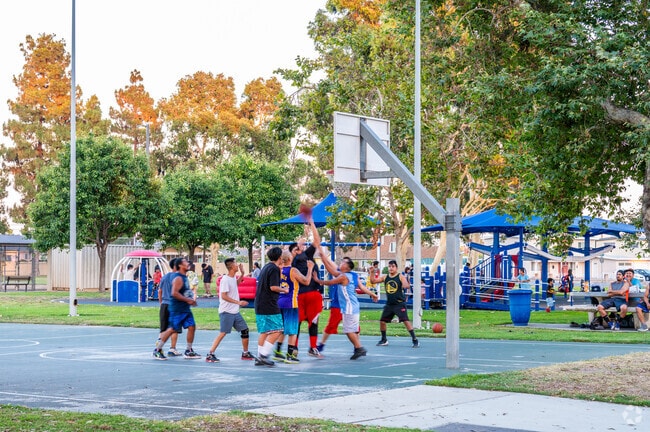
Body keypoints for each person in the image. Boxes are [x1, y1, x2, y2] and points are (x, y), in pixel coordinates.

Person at [318, 244, 378, 360]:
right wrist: (323, 255)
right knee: (333, 326)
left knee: (351, 329)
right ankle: (323, 345)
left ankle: (358, 347)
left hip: (348, 306)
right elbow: (331, 265)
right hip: (340, 305)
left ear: (347, 266)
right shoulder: (341, 272)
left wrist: (372, 294)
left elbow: (361, 287)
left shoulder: (348, 275)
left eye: (344, 262)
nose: (341, 263)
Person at [205, 258, 255, 363]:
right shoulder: (225, 280)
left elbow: (236, 284)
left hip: (235, 311)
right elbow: (223, 296)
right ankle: (210, 354)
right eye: (236, 264)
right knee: (223, 333)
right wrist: (238, 302)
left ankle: (245, 353)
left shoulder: (232, 278)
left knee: (245, 330)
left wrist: (242, 274)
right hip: (226, 311)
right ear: (232, 266)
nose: (238, 265)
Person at [153, 257, 201, 360]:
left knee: (192, 327)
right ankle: (157, 350)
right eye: (185, 262)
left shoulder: (184, 277)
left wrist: (190, 299)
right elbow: (174, 293)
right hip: (177, 308)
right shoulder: (178, 278)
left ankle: (188, 350)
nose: (187, 263)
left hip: (185, 308)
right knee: (171, 329)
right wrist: (188, 300)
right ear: (180, 265)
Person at [289, 221, 324, 358]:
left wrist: (312, 224)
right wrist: (296, 246)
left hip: (313, 294)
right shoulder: (290, 261)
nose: (300, 249)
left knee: (313, 321)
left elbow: (316, 240)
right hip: (298, 295)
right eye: (296, 248)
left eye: (300, 248)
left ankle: (313, 347)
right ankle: (293, 347)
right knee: (296, 323)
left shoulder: (307, 255)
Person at [275, 251, 314, 363]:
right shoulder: (293, 270)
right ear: (290, 259)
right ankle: (290, 355)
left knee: (282, 329)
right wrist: (310, 268)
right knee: (293, 330)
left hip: (280, 301)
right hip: (290, 302)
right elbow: (306, 281)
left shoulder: (279, 270)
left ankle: (277, 352)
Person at [371, 260, 419, 348]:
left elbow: (406, 285)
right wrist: (371, 272)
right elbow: (373, 281)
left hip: (399, 304)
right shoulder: (385, 277)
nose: (391, 268)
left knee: (405, 321)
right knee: (382, 321)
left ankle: (415, 340)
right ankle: (384, 339)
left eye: (393, 266)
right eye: (389, 266)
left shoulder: (400, 276)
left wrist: (405, 284)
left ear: (396, 268)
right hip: (389, 304)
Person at [254, 246, 289, 367]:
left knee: (264, 331)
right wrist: (284, 290)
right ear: (280, 257)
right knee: (278, 329)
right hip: (269, 304)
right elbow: (273, 287)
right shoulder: (274, 268)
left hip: (260, 303)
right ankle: (263, 355)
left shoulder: (266, 267)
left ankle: (259, 356)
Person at [155, 258, 181, 357]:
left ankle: (159, 349)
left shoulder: (165, 277)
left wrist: (161, 302)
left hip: (165, 305)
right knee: (174, 329)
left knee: (163, 329)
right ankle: (172, 348)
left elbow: (160, 291)